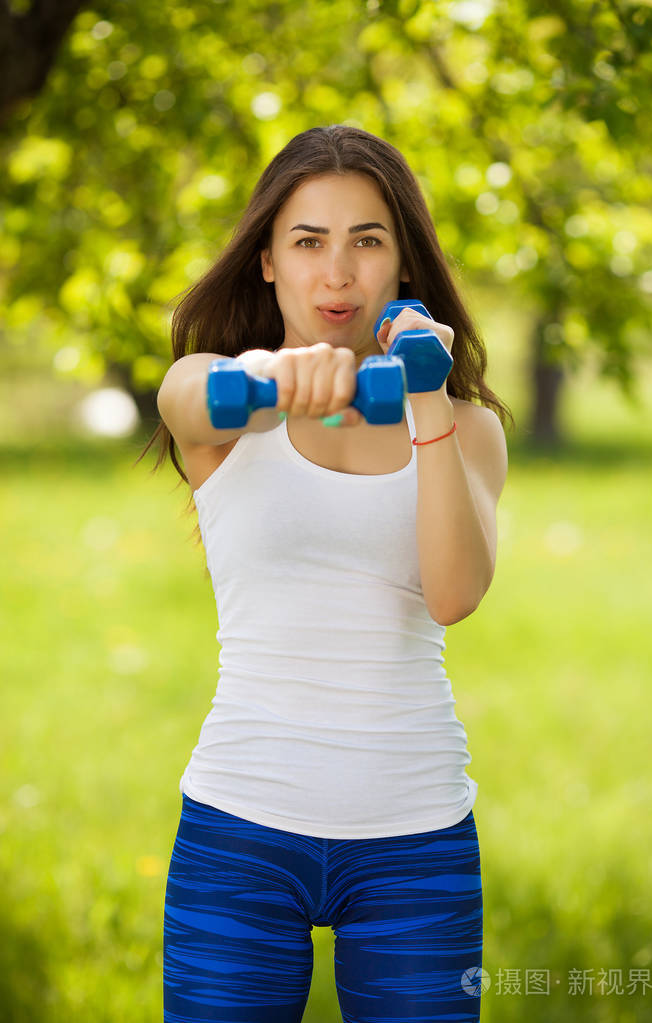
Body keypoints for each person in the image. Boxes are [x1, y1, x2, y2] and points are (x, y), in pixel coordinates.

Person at [140, 124, 513, 1023]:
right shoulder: (218, 399)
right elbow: (188, 393)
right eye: (308, 242)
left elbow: (454, 594)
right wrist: (271, 374)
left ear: (402, 266)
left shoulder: (468, 431)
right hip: (240, 832)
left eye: (367, 241)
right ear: (267, 261)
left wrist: (424, 387)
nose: (337, 274)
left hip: (415, 838)